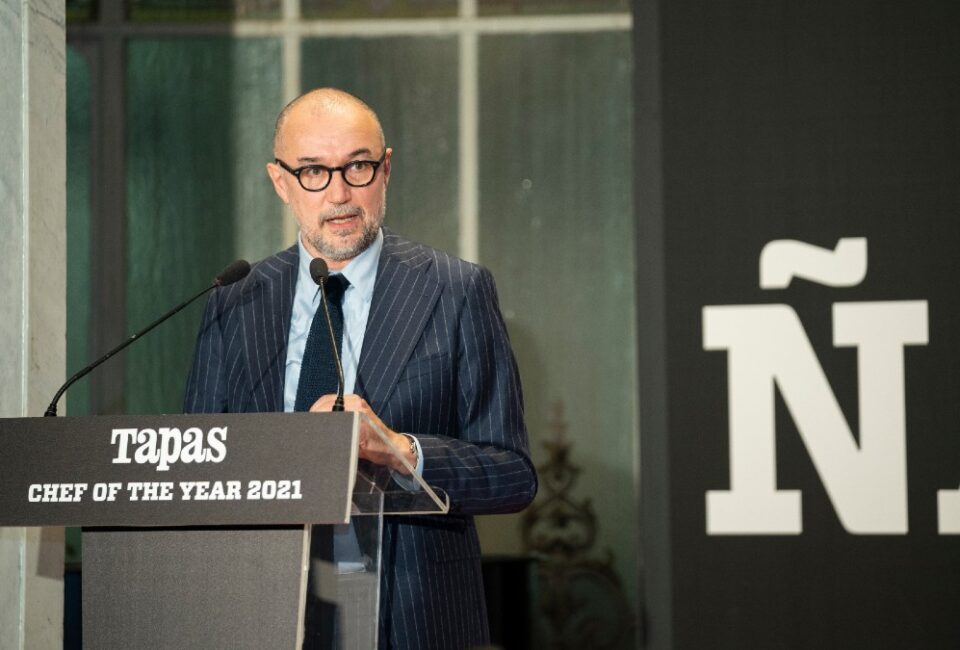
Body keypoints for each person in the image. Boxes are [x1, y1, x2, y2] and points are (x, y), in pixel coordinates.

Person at [184, 87, 537, 649]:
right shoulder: (236, 300)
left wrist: (400, 449)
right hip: (264, 615)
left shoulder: (456, 291)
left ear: (386, 168)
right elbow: (195, 470)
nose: (341, 193)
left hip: (413, 620)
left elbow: (514, 474)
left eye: (359, 167)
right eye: (314, 172)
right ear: (280, 182)